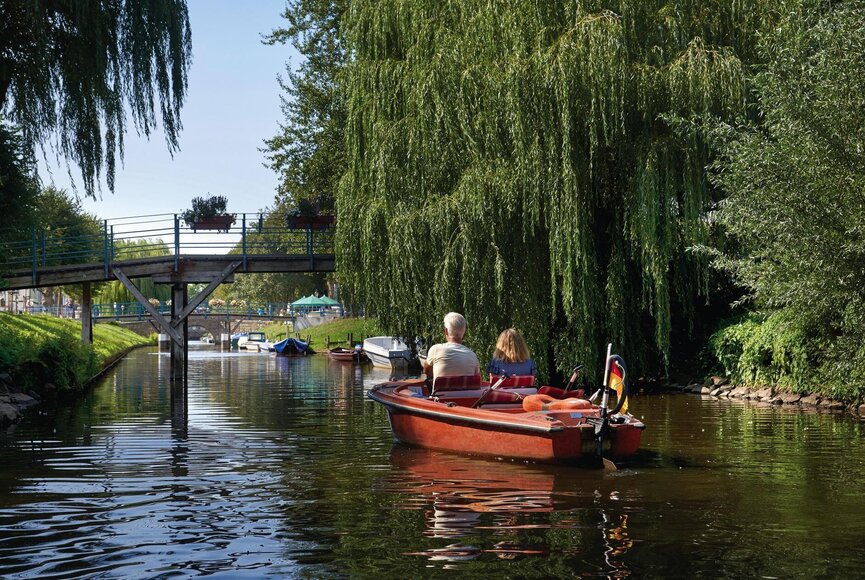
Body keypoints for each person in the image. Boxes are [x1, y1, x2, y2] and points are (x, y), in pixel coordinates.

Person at [422, 312, 480, 380]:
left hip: (441, 387)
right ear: (464, 332)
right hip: (466, 387)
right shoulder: (473, 356)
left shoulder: (435, 350)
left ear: (446, 331)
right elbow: (478, 379)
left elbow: (426, 371)